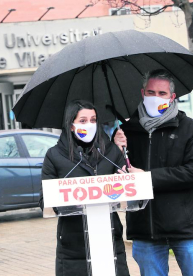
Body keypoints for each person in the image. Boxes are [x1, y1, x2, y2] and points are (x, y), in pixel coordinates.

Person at [114, 69, 193, 276]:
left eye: (162, 93)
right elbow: (114, 173)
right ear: (142, 93)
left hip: (186, 227)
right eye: (151, 92)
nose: (155, 97)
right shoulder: (125, 132)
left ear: (172, 97)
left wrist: (147, 178)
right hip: (146, 229)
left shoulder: (190, 128)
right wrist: (115, 150)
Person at [40, 99, 130, 276]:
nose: (89, 125)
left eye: (93, 120)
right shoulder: (54, 156)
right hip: (74, 245)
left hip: (109, 239)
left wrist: (125, 155)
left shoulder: (111, 152)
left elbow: (129, 187)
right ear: (71, 125)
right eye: (83, 121)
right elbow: (45, 201)